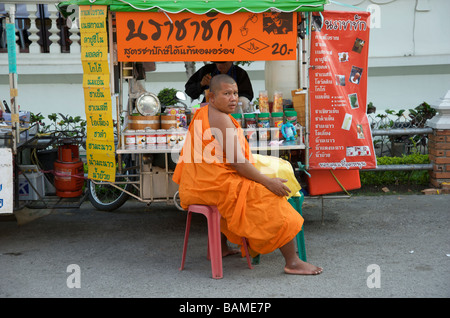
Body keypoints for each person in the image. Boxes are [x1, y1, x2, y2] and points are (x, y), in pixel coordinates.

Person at [173, 74, 322, 275]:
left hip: (197, 185)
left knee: (248, 191)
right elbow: (237, 163)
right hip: (212, 186)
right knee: (271, 197)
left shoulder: (204, 112)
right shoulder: (221, 119)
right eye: (226, 93)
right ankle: (292, 262)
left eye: (235, 93)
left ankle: (221, 248)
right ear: (212, 97)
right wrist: (269, 183)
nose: (233, 98)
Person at [184, 61, 254, 111]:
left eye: (223, 63)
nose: (220, 65)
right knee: (193, 109)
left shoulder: (240, 73)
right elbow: (189, 90)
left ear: (231, 61)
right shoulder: (207, 70)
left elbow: (247, 95)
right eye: (217, 62)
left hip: (232, 109)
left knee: (243, 101)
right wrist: (201, 84)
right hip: (208, 107)